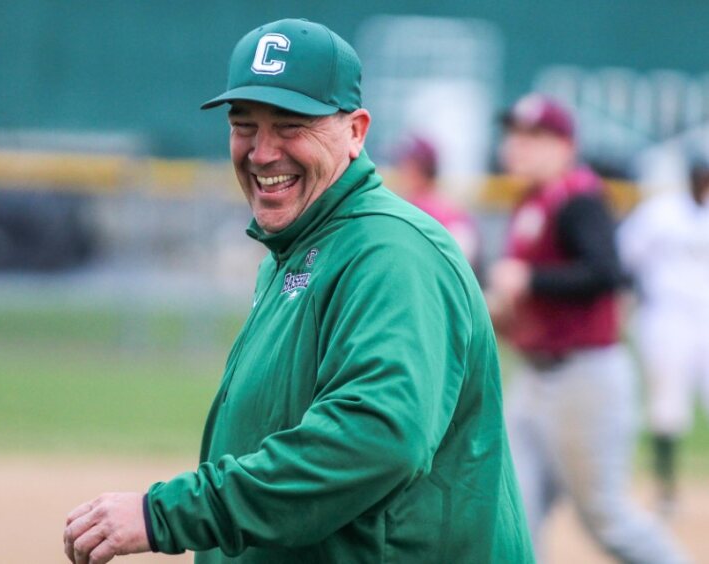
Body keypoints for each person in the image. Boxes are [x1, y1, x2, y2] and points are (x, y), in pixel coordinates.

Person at [63, 19, 533, 564]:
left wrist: (170, 512)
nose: (262, 152)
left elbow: (374, 439)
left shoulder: (391, 254)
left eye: (290, 126)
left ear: (356, 132)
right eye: (245, 126)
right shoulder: (299, 246)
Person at [488, 93, 689, 563]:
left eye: (533, 136)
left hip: (584, 377)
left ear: (564, 145)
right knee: (514, 510)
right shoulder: (532, 200)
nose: (518, 145)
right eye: (515, 134)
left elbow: (607, 273)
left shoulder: (578, 197)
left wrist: (530, 279)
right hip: (535, 376)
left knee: (605, 518)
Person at [617, 155, 709, 515]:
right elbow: (625, 256)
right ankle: (667, 490)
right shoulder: (660, 212)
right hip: (667, 315)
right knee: (665, 406)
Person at [397, 136, 480, 265]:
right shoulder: (412, 203)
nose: (403, 171)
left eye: (408, 166)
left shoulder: (444, 210)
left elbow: (462, 256)